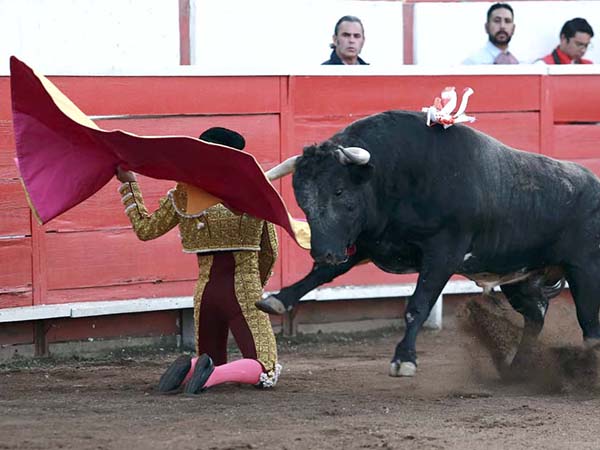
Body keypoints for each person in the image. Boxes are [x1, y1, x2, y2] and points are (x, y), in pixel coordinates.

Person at [116, 127, 281, 394]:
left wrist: (129, 182)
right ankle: (210, 375)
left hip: (205, 293)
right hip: (243, 287)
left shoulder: (183, 195)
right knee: (267, 369)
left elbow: (145, 230)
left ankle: (194, 368)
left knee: (211, 355)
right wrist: (256, 289)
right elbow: (269, 250)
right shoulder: (253, 193)